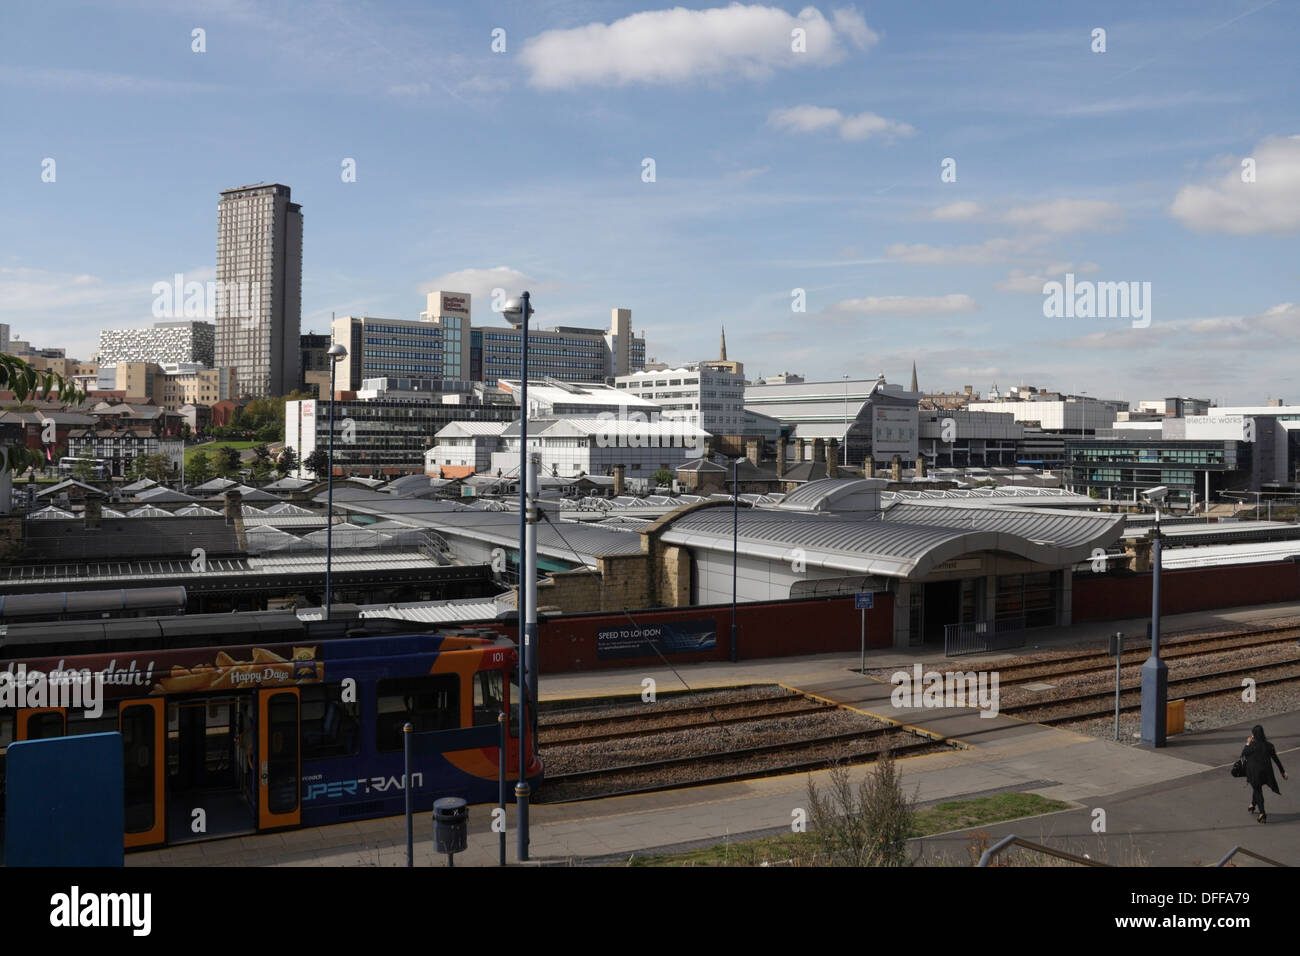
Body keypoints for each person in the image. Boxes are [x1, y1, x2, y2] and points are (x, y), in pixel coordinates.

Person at [1242, 724, 1287, 823]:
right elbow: (1276, 759)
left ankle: (1262, 813)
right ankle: (1253, 804)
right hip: (1266, 773)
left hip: (1254, 773)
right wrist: (1282, 771)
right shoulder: (1269, 746)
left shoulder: (1252, 746)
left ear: (1254, 735)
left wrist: (1247, 743)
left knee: (1257, 789)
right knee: (1257, 788)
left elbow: (1243, 753)